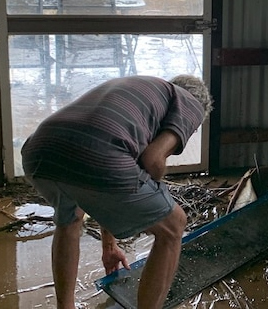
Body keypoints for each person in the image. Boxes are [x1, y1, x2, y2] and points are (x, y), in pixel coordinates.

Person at [21, 74, 212, 309]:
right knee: (173, 225)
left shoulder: (144, 90)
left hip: (40, 151)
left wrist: (109, 245)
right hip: (95, 152)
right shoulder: (191, 104)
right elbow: (152, 159)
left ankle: (65, 306)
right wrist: (155, 190)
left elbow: (107, 185)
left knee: (70, 220)